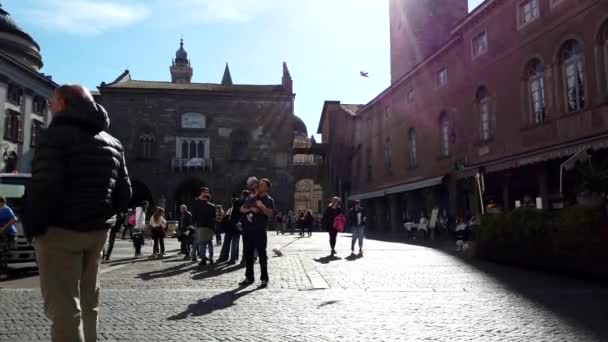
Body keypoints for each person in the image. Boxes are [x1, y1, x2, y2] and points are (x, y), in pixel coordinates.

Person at [25, 84, 132, 342]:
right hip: (96, 234)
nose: (50, 107)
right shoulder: (113, 142)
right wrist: (103, 219)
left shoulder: (54, 136)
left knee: (63, 308)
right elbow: (125, 194)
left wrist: (33, 228)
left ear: (63, 103)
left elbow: (43, 186)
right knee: (88, 303)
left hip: (59, 231)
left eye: (52, 102)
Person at [239, 177, 274, 288]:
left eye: (262, 184)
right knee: (248, 255)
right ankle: (249, 277)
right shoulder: (252, 197)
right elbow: (242, 209)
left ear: (267, 188)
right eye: (259, 184)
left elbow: (270, 214)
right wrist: (251, 209)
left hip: (260, 230)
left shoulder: (269, 200)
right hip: (248, 230)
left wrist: (262, 206)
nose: (259, 185)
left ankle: (264, 279)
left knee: (262, 256)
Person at [191, 188, 216, 265]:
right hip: (210, 227)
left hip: (201, 226)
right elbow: (214, 217)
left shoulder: (198, 206)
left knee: (202, 244)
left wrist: (194, 224)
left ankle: (203, 259)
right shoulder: (212, 206)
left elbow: (194, 216)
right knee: (210, 242)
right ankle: (211, 258)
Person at [0, 197, 17, 281]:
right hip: (1, 234)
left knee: (3, 253)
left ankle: (4, 273)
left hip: (7, 234)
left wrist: (4, 228)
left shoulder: (6, 209)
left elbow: (14, 219)